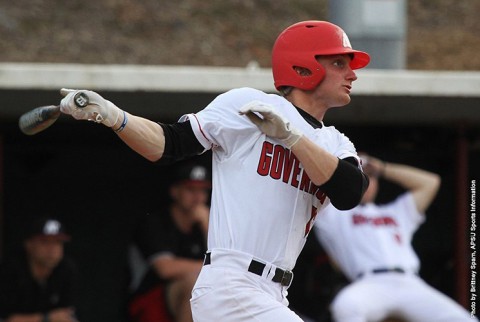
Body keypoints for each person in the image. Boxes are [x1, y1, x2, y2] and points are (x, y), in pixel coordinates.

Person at [58, 20, 370, 321]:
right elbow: (168, 145)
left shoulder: (335, 142)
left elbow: (349, 192)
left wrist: (291, 137)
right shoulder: (249, 104)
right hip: (232, 284)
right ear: (303, 67)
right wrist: (114, 116)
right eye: (339, 64)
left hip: (273, 292)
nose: (352, 75)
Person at [314, 153, 475, 322]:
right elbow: (317, 178)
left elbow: (430, 182)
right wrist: (342, 167)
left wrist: (382, 168)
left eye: (371, 176)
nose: (367, 181)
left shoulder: (396, 212)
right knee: (346, 306)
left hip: (410, 282)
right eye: (359, 174)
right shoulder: (333, 214)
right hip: (370, 284)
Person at [128, 162, 211, 322]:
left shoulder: (205, 223)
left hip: (187, 301)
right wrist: (213, 268)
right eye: (190, 189)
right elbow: (165, 269)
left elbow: (226, 263)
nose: (197, 197)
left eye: (202, 190)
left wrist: (207, 226)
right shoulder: (155, 223)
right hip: (149, 301)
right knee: (195, 283)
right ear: (175, 191)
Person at [0, 217, 80, 322]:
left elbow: (66, 316)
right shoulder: (10, 269)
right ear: (29, 244)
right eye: (45, 242)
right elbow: (7, 319)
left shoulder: (67, 269)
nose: (52, 249)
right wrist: (47, 318)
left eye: (57, 243)